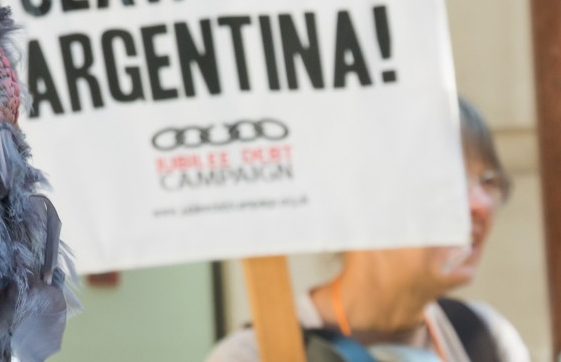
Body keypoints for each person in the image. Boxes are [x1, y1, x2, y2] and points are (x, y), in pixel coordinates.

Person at [206, 97, 530, 362]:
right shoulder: (252, 356)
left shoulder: (486, 340)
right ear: (363, 196)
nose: (479, 204)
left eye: (488, 181)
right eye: (449, 180)